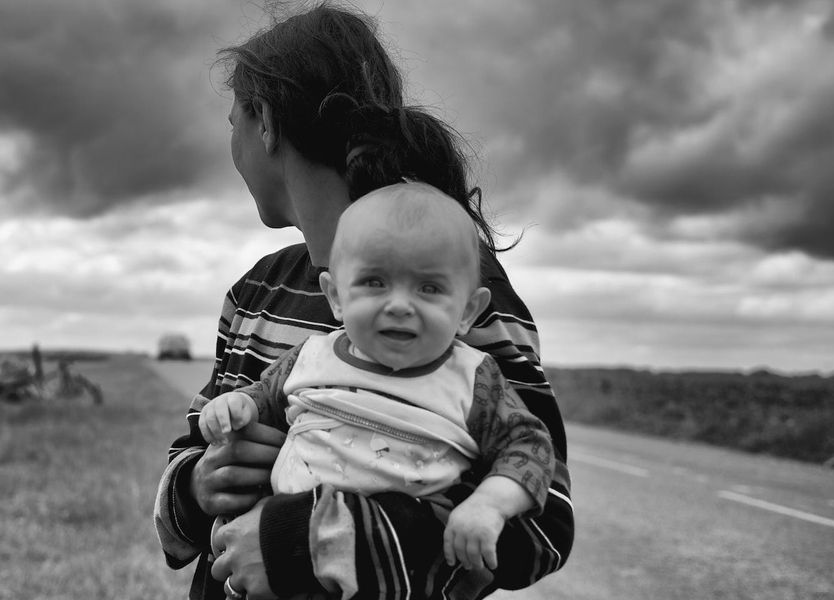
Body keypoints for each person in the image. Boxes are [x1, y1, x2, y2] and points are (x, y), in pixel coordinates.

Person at [154, 5, 574, 600]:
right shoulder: (255, 295)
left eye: (232, 122)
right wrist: (198, 484)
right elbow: (194, 447)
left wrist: (299, 543)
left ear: (266, 124)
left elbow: (545, 523)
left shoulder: (458, 292)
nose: (400, 303)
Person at [197, 183, 555, 593]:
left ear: (467, 311)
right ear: (335, 297)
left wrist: (489, 503)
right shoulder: (310, 356)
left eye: (429, 288)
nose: (399, 304)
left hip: (388, 574)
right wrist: (235, 405)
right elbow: (262, 398)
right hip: (273, 566)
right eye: (374, 282)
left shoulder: (474, 379)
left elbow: (531, 446)